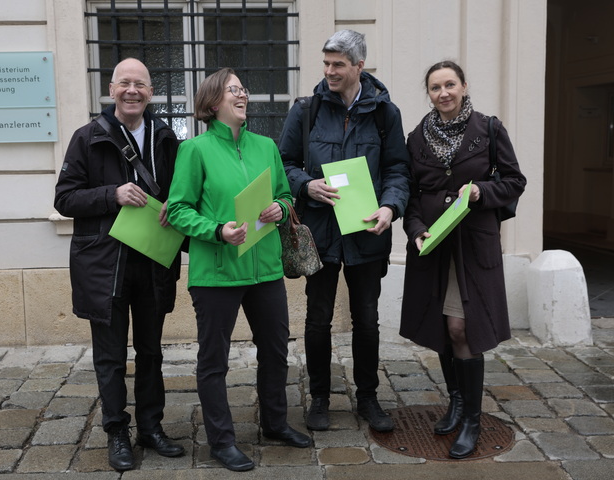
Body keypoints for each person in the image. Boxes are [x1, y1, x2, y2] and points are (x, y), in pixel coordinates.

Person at [167, 67, 311, 472]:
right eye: (233, 90)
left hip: (264, 269)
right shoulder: (194, 151)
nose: (242, 94)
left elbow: (285, 196)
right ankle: (222, 441)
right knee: (214, 361)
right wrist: (216, 230)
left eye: (243, 89)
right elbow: (178, 209)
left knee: (276, 351)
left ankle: (276, 423)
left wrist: (280, 209)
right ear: (213, 104)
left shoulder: (266, 146)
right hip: (216, 274)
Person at [54, 58, 185, 471]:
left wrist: (174, 210)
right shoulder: (87, 137)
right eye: (125, 83)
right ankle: (116, 433)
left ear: (150, 92)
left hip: (152, 261)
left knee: (150, 352)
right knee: (109, 357)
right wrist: (111, 194)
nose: (133, 91)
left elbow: (179, 193)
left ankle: (151, 427)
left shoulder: (166, 138)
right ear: (111, 90)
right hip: (104, 264)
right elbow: (64, 199)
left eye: (141, 84)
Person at [278, 30, 411, 432]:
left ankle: (368, 397)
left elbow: (398, 170)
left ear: (359, 66)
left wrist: (391, 206)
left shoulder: (386, 113)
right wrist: (306, 184)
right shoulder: (307, 110)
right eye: (326, 63)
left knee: (366, 319)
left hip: (367, 233)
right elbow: (283, 163)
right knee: (318, 319)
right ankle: (320, 397)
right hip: (319, 233)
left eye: (338, 64)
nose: (329, 71)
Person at [399, 60, 526, 459]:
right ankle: (455, 400)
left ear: (464, 86)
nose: (444, 93)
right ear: (430, 93)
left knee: (460, 329)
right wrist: (415, 227)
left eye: (450, 84)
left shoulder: (488, 129)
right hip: (433, 245)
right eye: (436, 87)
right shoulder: (417, 137)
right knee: (441, 325)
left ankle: (472, 416)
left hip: (471, 245)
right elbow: (412, 193)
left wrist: (480, 194)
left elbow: (514, 181)